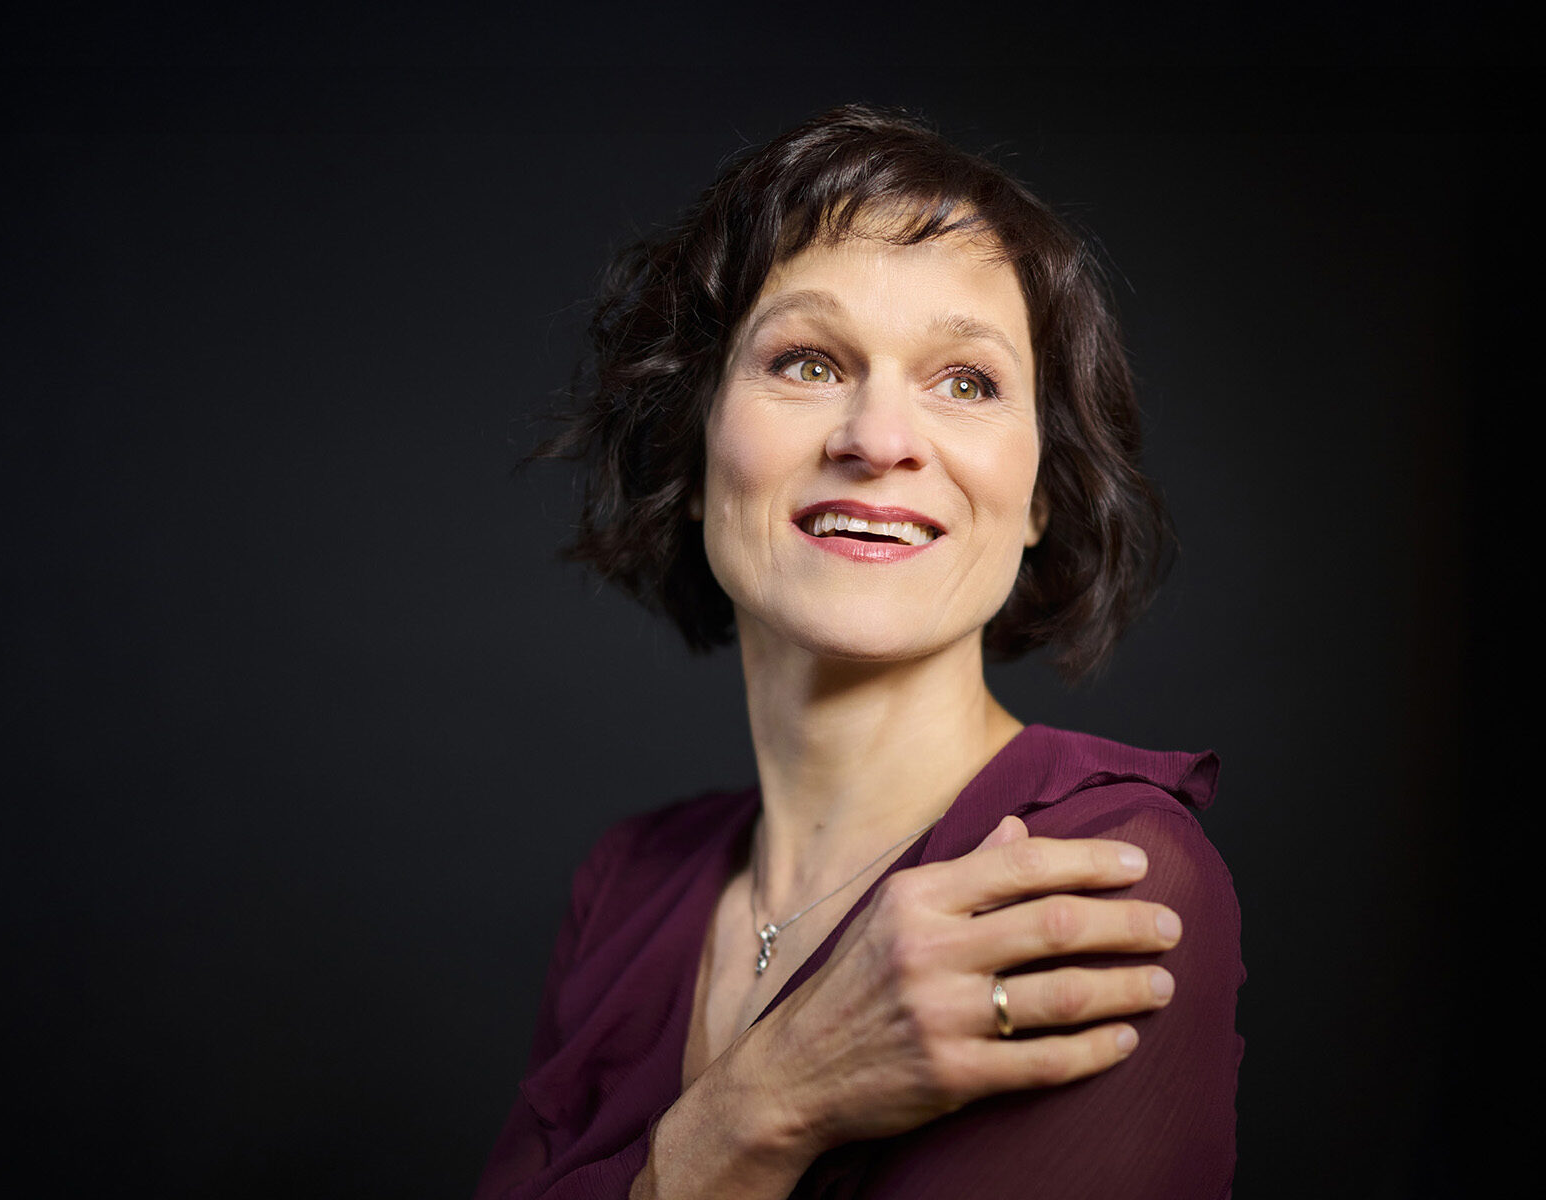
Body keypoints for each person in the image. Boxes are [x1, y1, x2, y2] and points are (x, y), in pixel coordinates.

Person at [474, 105, 1244, 1200]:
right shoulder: (626, 883)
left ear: (1039, 497)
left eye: (966, 381)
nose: (877, 439)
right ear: (691, 452)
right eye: (806, 363)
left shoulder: (1104, 875)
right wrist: (756, 1109)